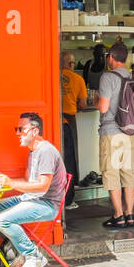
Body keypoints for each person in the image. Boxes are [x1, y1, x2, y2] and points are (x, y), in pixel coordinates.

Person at [0, 112, 67, 267]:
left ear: (34, 131)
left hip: (47, 204)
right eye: (16, 129)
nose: (17, 133)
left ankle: (33, 256)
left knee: (2, 220)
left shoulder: (46, 151)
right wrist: (4, 180)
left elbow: (42, 186)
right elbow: (28, 181)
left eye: (21, 129)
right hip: (30, 198)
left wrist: (10, 183)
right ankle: (15, 248)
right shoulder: (32, 152)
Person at [97, 41, 134, 229]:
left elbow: (104, 107)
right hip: (129, 133)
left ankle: (118, 215)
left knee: (111, 173)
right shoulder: (133, 78)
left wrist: (98, 100)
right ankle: (130, 214)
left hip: (111, 132)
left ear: (111, 57)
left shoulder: (107, 77)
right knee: (128, 173)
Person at [60, 51, 93, 210]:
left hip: (53, 121)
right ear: (70, 64)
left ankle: (56, 199)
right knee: (69, 161)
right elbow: (83, 105)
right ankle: (68, 199)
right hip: (68, 123)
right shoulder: (78, 79)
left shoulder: (51, 76)